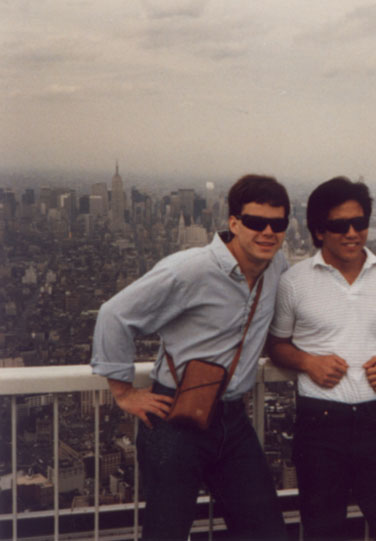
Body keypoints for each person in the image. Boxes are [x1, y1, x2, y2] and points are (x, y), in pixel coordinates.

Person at [91, 174, 289, 540]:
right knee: (167, 532)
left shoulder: (277, 267)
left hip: (233, 421)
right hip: (174, 420)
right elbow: (114, 314)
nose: (267, 232)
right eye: (255, 222)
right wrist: (123, 393)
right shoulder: (189, 269)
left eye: (277, 224)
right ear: (233, 223)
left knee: (266, 531)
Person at [268, 177, 376, 541]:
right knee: (324, 531)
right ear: (319, 231)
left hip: (375, 421)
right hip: (319, 422)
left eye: (360, 223)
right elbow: (275, 345)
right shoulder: (294, 281)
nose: (352, 233)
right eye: (339, 225)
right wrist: (308, 362)